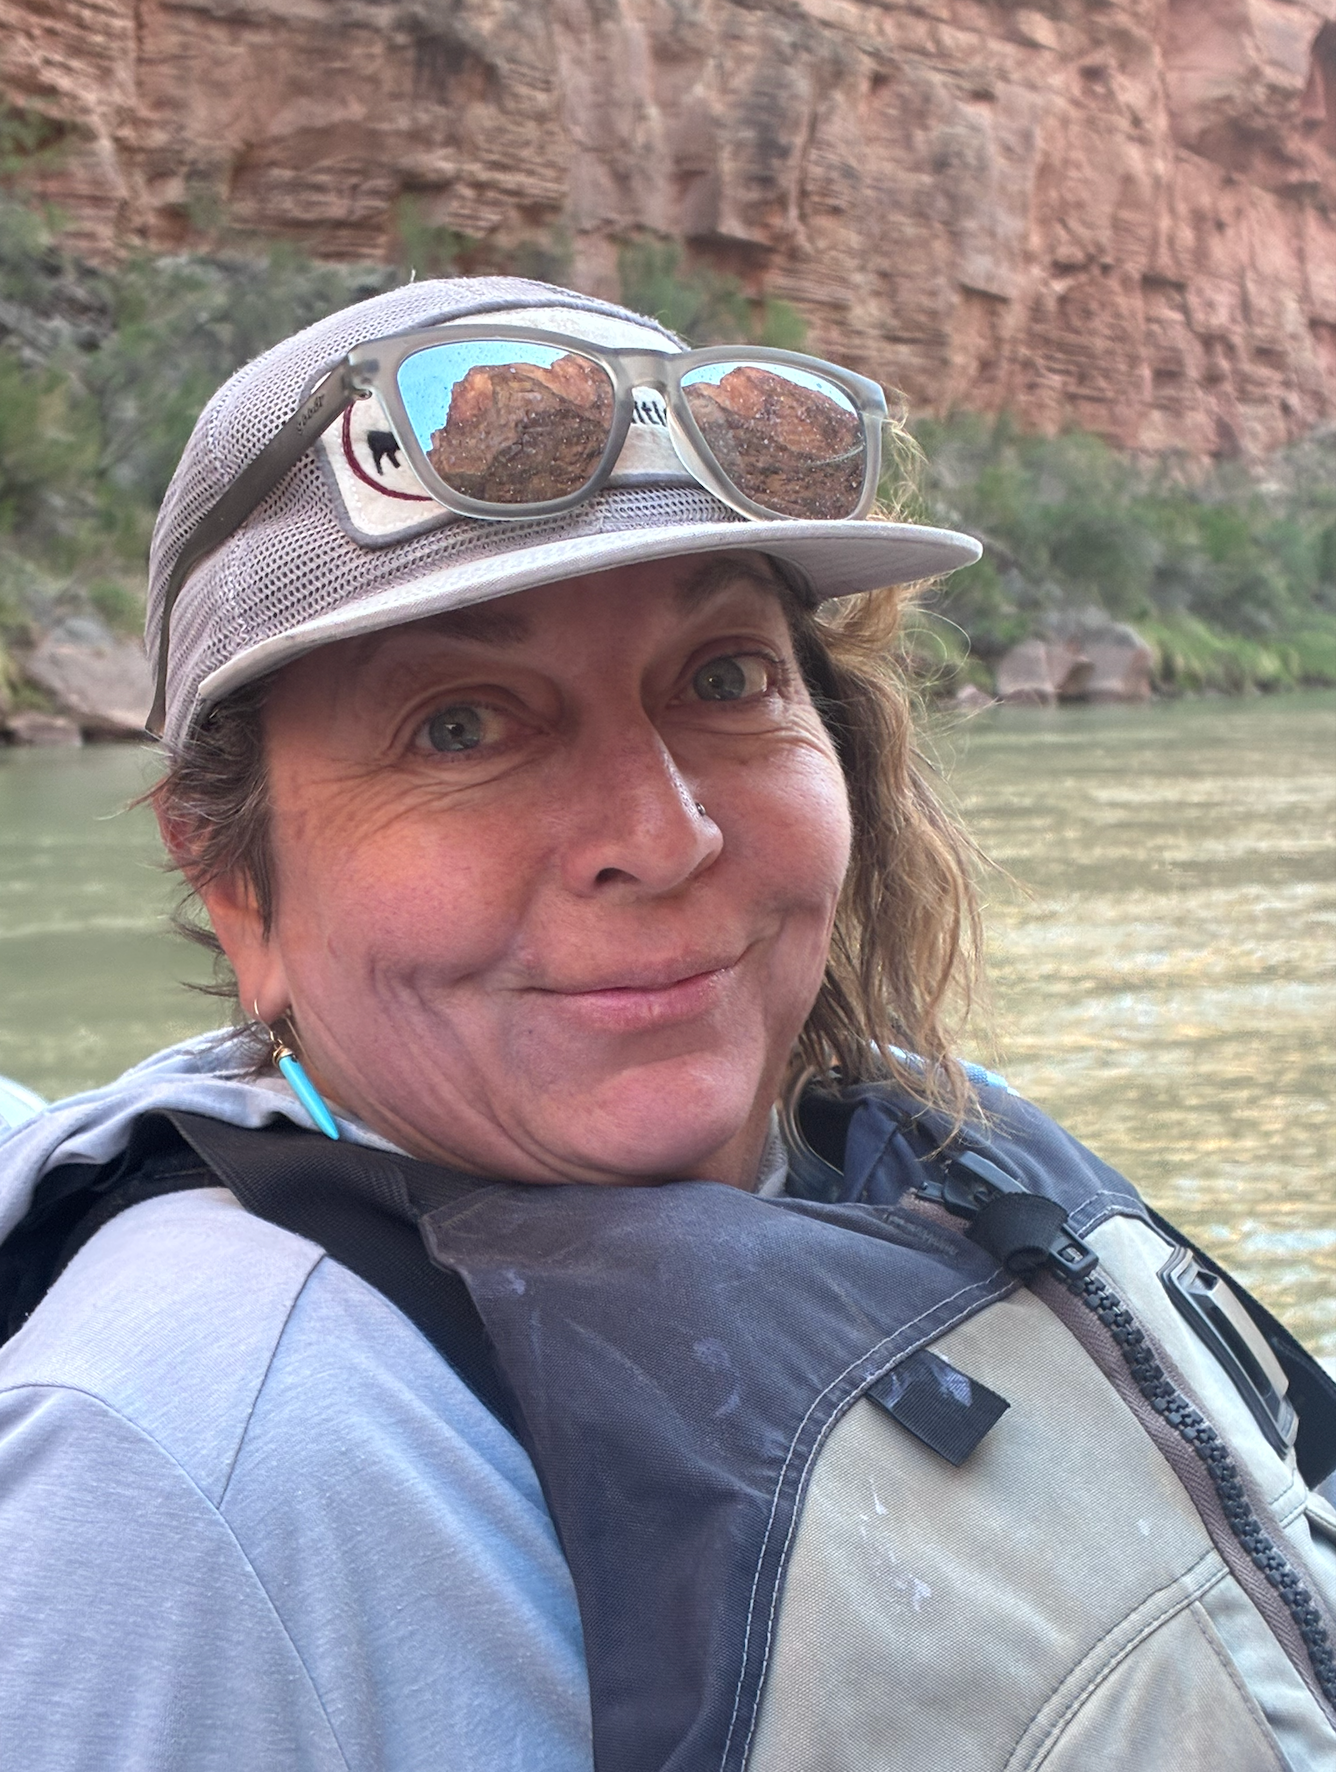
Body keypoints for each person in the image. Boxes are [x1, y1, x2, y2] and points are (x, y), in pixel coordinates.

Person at [0, 275, 1333, 1772]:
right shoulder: (201, 1471)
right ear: (234, 876)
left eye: (723, 679)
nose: (664, 831)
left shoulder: (907, 1138)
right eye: (463, 723)